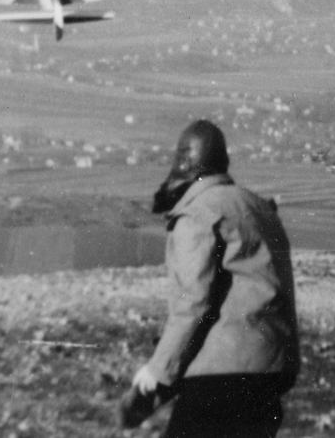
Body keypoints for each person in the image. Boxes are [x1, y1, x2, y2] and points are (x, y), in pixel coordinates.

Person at [128, 120, 299, 438]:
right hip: (272, 368)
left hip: (222, 374)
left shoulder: (197, 215)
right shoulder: (257, 206)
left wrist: (158, 369)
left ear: (185, 164)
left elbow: (192, 302)